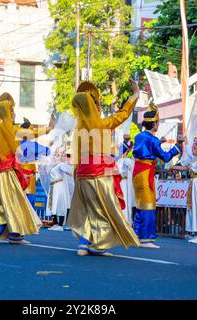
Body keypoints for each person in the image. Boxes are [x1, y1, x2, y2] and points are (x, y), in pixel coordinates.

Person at [68, 80, 141, 256]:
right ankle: (98, 245)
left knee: (89, 208)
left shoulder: (78, 130)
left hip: (82, 174)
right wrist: (134, 96)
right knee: (104, 208)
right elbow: (122, 115)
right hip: (99, 173)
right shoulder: (100, 125)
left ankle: (84, 243)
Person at [0, 93, 43, 244]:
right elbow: (31, 134)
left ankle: (14, 234)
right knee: (10, 201)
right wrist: (49, 128)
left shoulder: (1, 128)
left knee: (6, 201)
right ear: (9, 114)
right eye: (12, 111)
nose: (14, 113)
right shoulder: (10, 129)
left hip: (0, 168)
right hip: (6, 169)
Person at [132, 101, 184, 248]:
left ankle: (137, 234)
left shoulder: (138, 136)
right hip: (146, 172)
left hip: (137, 172)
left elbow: (146, 149)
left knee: (140, 204)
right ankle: (146, 239)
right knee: (148, 204)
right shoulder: (153, 140)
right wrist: (177, 146)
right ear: (154, 124)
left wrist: (158, 144)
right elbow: (166, 157)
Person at [48, 151, 74, 231]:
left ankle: (60, 225)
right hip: (54, 186)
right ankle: (55, 224)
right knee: (53, 206)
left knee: (60, 205)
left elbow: (68, 171)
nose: (56, 156)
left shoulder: (61, 165)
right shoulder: (53, 165)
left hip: (59, 187)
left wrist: (67, 166)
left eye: (58, 155)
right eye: (55, 155)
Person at [117, 147, 135, 224]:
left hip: (126, 184)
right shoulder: (118, 161)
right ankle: (122, 220)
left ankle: (127, 220)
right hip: (120, 184)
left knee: (127, 202)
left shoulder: (127, 160)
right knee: (122, 202)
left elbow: (131, 168)